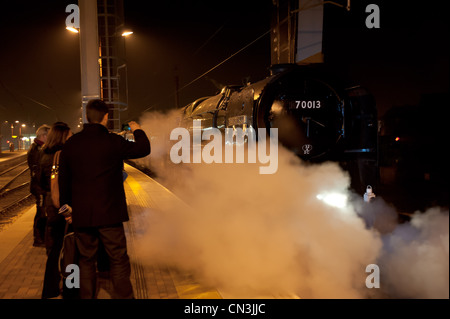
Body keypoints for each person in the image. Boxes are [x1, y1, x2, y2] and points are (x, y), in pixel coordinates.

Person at [59, 99, 150, 299]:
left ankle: (87, 296)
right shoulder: (113, 141)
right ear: (106, 117)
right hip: (110, 215)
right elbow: (144, 149)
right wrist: (137, 130)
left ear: (86, 117)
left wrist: (66, 210)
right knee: (118, 259)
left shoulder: (71, 144)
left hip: (82, 215)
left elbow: (63, 181)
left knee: (86, 261)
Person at [38, 122, 73, 299]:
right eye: (70, 135)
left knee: (54, 250)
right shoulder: (63, 155)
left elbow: (40, 183)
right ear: (63, 136)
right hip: (64, 208)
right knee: (70, 250)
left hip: (50, 207)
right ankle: (70, 288)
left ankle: (50, 289)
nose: (72, 137)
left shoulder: (43, 154)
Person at [27, 124, 50, 247]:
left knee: (41, 211)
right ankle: (38, 238)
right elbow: (38, 170)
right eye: (48, 136)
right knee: (41, 212)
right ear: (43, 136)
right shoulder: (37, 149)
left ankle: (41, 236)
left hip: (39, 186)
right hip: (39, 187)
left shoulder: (37, 148)